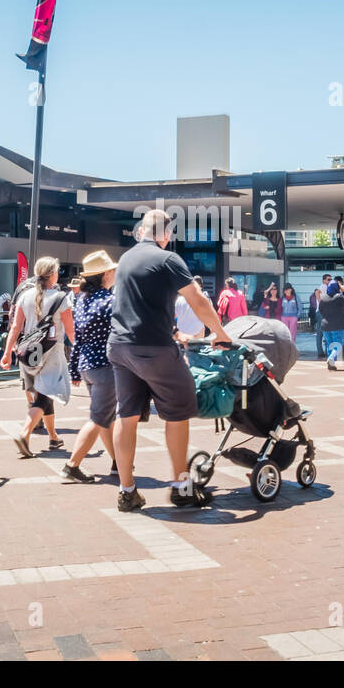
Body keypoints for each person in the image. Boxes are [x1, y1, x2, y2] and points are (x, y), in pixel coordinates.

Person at [108, 210, 231, 512]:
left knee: (127, 415)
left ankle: (127, 491)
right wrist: (220, 333)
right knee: (178, 411)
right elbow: (198, 300)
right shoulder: (168, 259)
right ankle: (182, 487)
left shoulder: (125, 259)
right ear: (166, 233)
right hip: (154, 349)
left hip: (120, 346)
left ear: (141, 231)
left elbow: (137, 305)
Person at [0, 256, 76, 456]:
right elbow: (70, 331)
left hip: (29, 353)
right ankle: (24, 434)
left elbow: (15, 328)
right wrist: (81, 350)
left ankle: (53, 437)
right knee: (43, 395)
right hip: (52, 354)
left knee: (43, 394)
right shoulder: (61, 298)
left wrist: (7, 353)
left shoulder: (25, 296)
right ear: (52, 274)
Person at [60, 250, 120, 482]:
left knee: (105, 417)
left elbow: (78, 338)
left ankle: (117, 462)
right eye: (112, 270)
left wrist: (74, 369)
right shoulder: (111, 301)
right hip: (105, 367)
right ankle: (72, 465)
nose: (115, 272)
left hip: (87, 366)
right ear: (106, 274)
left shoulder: (82, 301)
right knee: (99, 418)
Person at [318, 281, 344, 370]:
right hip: (337, 324)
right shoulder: (338, 297)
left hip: (325, 325)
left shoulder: (323, 298)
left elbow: (320, 310)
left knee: (330, 344)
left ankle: (331, 364)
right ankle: (331, 358)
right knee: (338, 344)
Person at [175, 275, 207, 339]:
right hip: (197, 335)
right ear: (200, 286)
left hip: (182, 335)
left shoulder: (179, 300)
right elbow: (208, 317)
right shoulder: (202, 299)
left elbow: (173, 316)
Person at [311, 274, 331, 357]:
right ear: (323, 280)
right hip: (322, 312)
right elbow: (316, 292)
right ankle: (324, 351)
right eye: (328, 279)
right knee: (325, 331)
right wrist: (321, 302)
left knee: (320, 332)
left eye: (330, 279)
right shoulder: (323, 286)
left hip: (320, 312)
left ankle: (321, 351)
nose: (329, 281)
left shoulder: (326, 287)